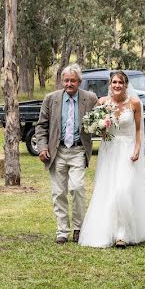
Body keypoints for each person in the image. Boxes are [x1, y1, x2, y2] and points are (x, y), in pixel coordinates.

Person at [79, 70, 145, 248]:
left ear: (126, 85)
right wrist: (102, 126)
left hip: (127, 150)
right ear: (110, 84)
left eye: (120, 83)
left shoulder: (135, 103)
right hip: (109, 150)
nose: (117, 86)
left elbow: (139, 129)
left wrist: (138, 148)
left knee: (123, 189)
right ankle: (110, 231)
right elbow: (96, 129)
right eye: (114, 82)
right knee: (108, 189)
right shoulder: (102, 103)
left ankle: (123, 232)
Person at [33, 65, 98, 244]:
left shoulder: (90, 98)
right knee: (58, 192)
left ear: (79, 82)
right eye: (66, 80)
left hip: (78, 150)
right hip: (57, 151)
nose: (69, 84)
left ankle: (79, 228)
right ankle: (62, 230)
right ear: (62, 81)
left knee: (77, 188)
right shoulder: (51, 99)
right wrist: (42, 147)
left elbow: (102, 114)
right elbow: (41, 126)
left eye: (73, 80)